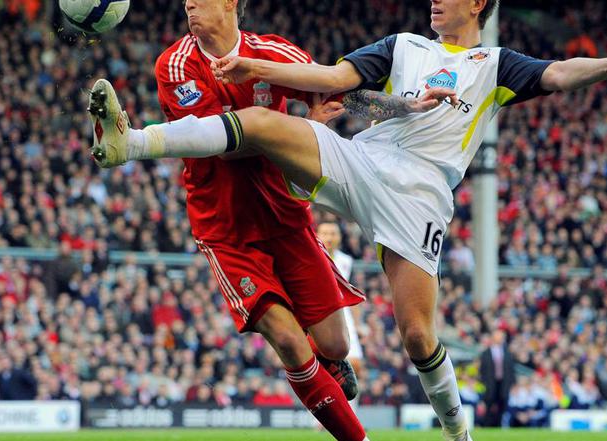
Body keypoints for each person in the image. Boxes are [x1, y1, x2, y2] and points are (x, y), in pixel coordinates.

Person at [89, 0, 607, 439]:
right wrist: (258, 70)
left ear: (479, 5)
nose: (436, 0)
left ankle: (458, 432)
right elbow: (339, 81)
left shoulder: (495, 65)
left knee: (416, 335)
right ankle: (131, 143)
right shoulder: (403, 45)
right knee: (264, 128)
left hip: (419, 196)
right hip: (361, 162)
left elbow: (560, 73)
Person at [86, 0, 444, 438]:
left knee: (336, 345)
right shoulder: (174, 65)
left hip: (286, 218)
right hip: (226, 229)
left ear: (231, 3)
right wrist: (298, 132)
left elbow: (343, 96)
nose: (189, 4)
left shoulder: (272, 54)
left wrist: (407, 107)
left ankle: (324, 363)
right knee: (290, 342)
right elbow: (219, 141)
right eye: (185, 1)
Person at [317, 221, 363, 410]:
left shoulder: (346, 261)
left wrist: (359, 324)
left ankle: (352, 412)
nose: (329, 237)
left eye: (333, 233)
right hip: (319, 315)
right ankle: (322, 415)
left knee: (355, 365)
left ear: (339, 237)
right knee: (321, 367)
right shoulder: (313, 256)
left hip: (344, 316)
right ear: (317, 235)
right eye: (325, 233)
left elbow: (354, 292)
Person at [480, 330, 515, 426]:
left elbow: (510, 370)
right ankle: (487, 425)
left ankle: (499, 424)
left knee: (502, 405)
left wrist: (511, 383)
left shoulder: (507, 353)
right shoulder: (486, 353)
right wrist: (484, 383)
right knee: (489, 405)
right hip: (490, 384)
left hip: (503, 384)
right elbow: (483, 370)